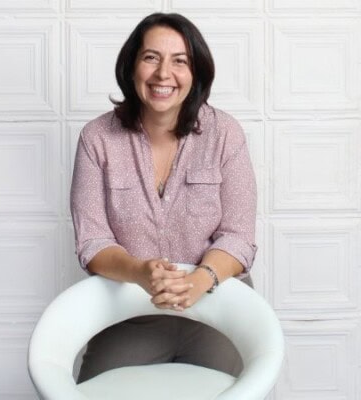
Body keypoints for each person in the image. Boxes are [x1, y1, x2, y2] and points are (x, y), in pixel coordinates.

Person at [70, 12, 257, 382]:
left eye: (180, 61)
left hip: (217, 306)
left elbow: (239, 236)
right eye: (151, 57)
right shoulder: (96, 139)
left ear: (196, 73)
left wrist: (200, 280)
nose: (163, 74)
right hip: (129, 313)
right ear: (131, 66)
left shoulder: (225, 134)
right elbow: (92, 241)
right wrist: (140, 272)